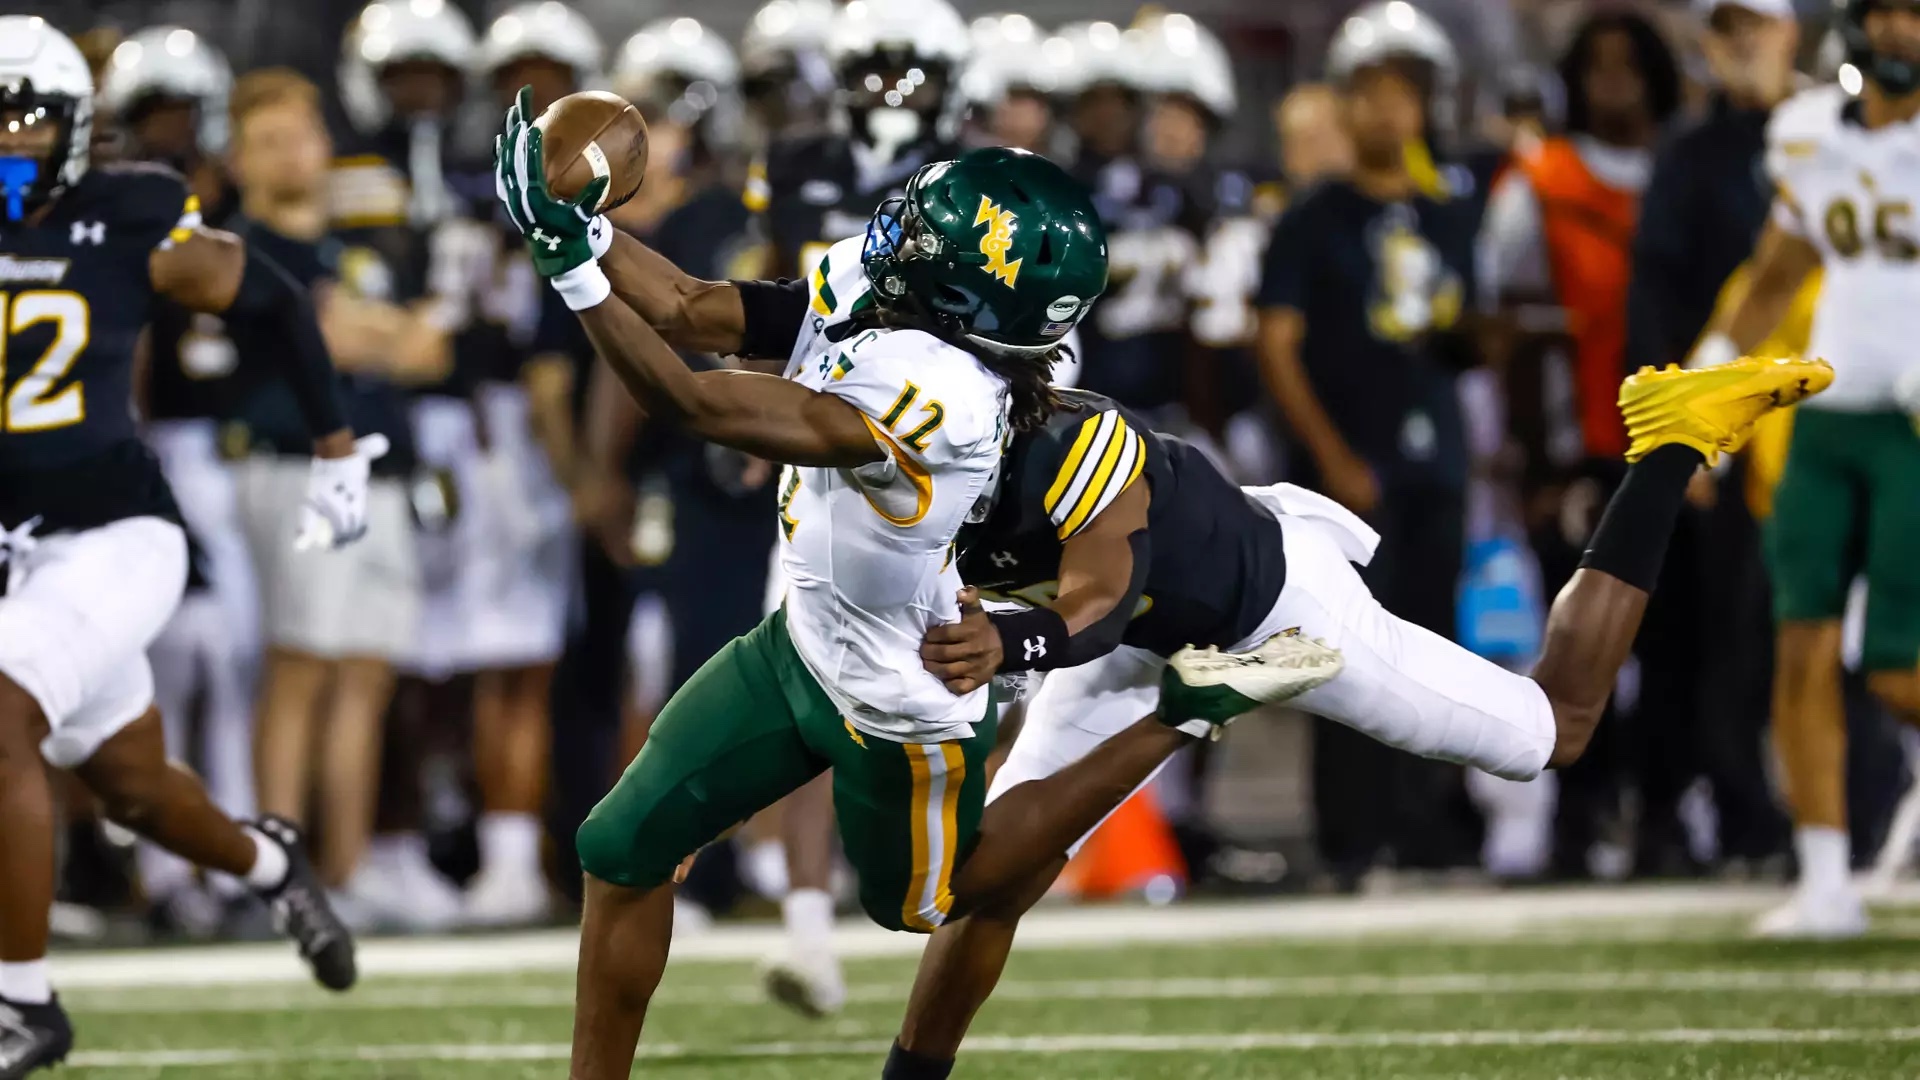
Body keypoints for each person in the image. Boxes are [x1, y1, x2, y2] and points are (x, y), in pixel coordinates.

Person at [497, 109, 1296, 1076]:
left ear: (969, 294)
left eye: (931, 235)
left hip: (900, 689)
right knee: (621, 846)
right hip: (797, 646)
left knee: (938, 901)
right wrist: (581, 226)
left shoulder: (945, 395)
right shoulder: (902, 301)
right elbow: (692, 307)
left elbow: (693, 400)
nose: (899, 231)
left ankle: (1186, 710)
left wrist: (575, 275)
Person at [879, 333, 1836, 1080]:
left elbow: (1097, 603)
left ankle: (1669, 440)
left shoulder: (1071, 447)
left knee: (1557, 727)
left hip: (1276, 608)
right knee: (988, 882)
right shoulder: (905, 450)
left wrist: (1007, 640)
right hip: (1141, 631)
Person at [0, 20, 368, 1075]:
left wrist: (335, 447)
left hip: (112, 533)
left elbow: (275, 300)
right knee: (132, 784)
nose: (8, 141)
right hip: (15, 549)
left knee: (2, 719)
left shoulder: (131, 212)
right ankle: (269, 864)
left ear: (76, 128)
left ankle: (22, 1003)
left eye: (26, 119)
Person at [747, 0, 975, 1015]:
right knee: (807, 669)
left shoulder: (978, 177)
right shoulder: (797, 163)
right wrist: (762, 412)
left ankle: (964, 898)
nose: (891, 92)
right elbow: (779, 304)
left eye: (911, 72)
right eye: (874, 70)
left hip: (948, 448)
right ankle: (807, 929)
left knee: (964, 676)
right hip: (830, 440)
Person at [1692, 0, 1920, 938]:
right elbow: (1777, 273)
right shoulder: (1809, 133)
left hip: (1913, 429)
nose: (1903, 32)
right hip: (1827, 420)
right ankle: (1826, 881)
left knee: (1900, 673)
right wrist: (1708, 384)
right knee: (1802, 645)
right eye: (1891, 12)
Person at [1257, 0, 1484, 884]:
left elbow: (1462, 333)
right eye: (1372, 91)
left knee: (1437, 643)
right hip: (1347, 463)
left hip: (1437, 456)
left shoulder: (1449, 212)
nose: (1388, 110)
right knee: (1344, 650)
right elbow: (1277, 345)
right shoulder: (1312, 216)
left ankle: (1428, 828)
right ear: (1344, 102)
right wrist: (1332, 456)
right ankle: (1351, 836)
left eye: (1404, 92)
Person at [1625, 0, 1803, 874]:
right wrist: (1676, 432)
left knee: (1839, 633)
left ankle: (1855, 814)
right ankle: (1750, 820)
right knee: (1732, 634)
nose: (1743, 45)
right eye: (1727, 29)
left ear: (1791, 33)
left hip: (1843, 413)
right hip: (1734, 430)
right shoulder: (1690, 156)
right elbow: (1656, 296)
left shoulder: (1840, 134)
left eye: (1756, 25)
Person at [98, 25, 259, 937]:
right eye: (151, 114)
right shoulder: (116, 215)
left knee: (235, 664)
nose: (168, 131)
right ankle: (162, 870)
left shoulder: (232, 209)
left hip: (235, 452)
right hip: (157, 447)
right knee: (164, 664)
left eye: (179, 112)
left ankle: (232, 859)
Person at [456, 0, 607, 929]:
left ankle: (521, 854)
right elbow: (544, 370)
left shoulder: (494, 191)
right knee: (514, 660)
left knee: (543, 662)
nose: (537, 98)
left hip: (525, 438)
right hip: (507, 442)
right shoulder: (493, 198)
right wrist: (585, 477)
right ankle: (506, 856)